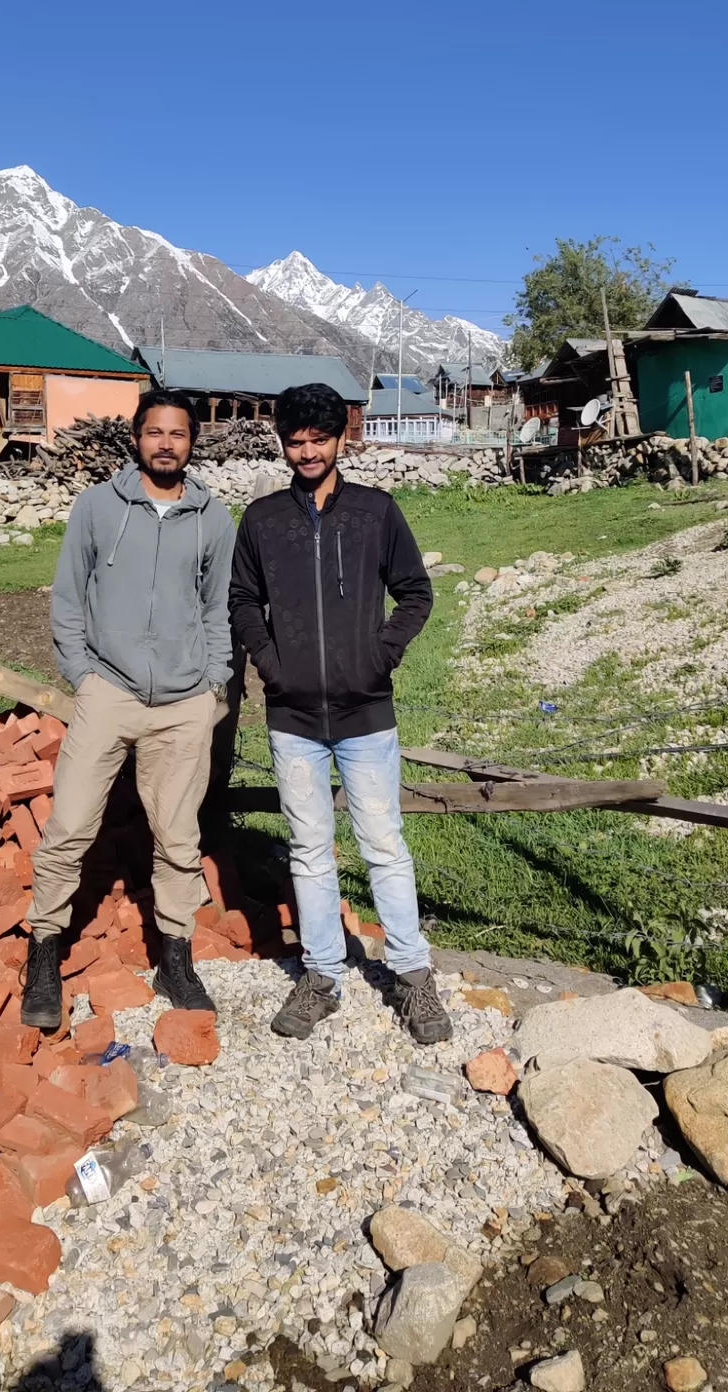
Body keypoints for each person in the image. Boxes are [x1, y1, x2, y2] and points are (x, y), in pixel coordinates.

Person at [228, 382, 452, 1045]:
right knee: (309, 849)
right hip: (293, 717)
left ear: (340, 438)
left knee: (384, 845)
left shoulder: (375, 513)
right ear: (282, 444)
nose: (305, 452)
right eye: (294, 442)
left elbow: (414, 593)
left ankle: (412, 977)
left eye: (317, 439)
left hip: (366, 713)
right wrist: (271, 662)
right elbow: (242, 600)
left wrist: (379, 655)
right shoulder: (263, 519)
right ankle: (320, 976)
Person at [21, 388, 234, 1031]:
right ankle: (44, 952)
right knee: (70, 827)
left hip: (183, 702)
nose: (166, 443)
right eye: (154, 432)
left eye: (178, 434)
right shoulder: (96, 507)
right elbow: (68, 596)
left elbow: (216, 609)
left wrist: (213, 685)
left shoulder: (213, 518)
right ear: (136, 438)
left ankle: (174, 954)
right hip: (107, 692)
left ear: (192, 443)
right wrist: (83, 676)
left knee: (178, 837)